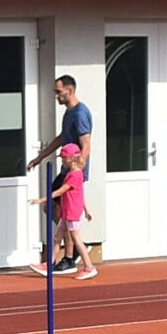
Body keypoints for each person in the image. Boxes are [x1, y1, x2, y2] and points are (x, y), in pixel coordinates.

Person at [26, 75, 95, 274]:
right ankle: (74, 248)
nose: (56, 95)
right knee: (52, 209)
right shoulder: (69, 113)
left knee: (62, 211)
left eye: (58, 92)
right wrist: (40, 158)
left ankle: (69, 257)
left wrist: (78, 170)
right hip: (66, 170)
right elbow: (61, 138)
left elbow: (86, 144)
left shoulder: (81, 113)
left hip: (73, 173)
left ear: (70, 91)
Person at [34, 141, 99, 280]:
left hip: (71, 211)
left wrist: (43, 199)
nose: (62, 161)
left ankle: (89, 267)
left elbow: (62, 190)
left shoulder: (74, 175)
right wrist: (86, 209)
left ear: (72, 158)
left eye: (64, 158)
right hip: (66, 210)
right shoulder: (74, 173)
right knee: (57, 238)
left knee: (76, 238)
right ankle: (49, 263)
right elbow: (81, 194)